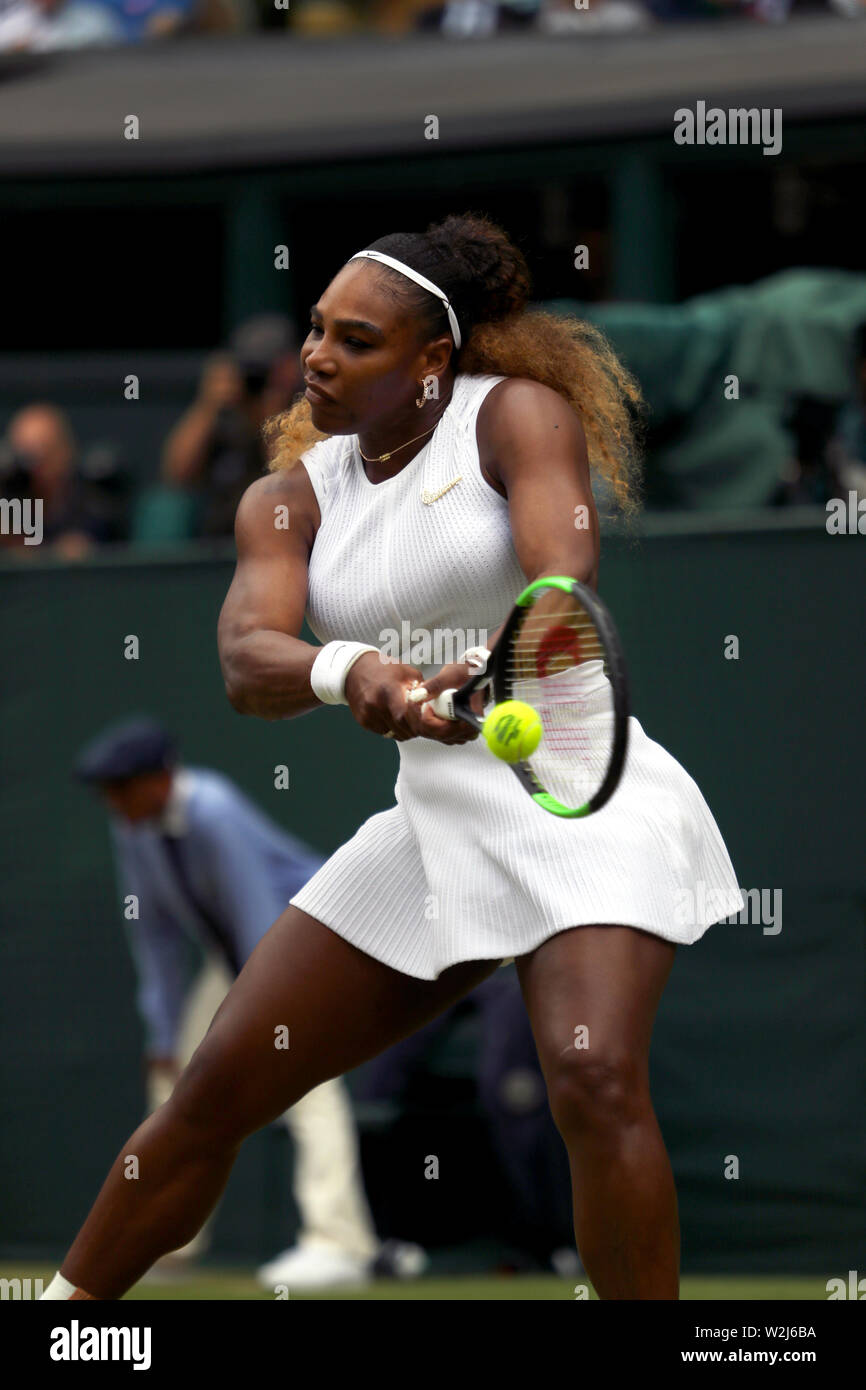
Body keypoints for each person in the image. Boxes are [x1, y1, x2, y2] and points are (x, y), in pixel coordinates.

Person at [42, 212, 742, 1302]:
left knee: (593, 1077)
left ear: (431, 359)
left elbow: (562, 569)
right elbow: (247, 654)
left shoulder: (516, 416)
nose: (316, 355)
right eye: (316, 330)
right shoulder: (287, 496)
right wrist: (353, 672)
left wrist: (500, 651)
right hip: (431, 828)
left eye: (355, 339)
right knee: (216, 1086)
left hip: (582, 802)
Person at [73, 715, 389, 1290]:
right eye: (108, 791)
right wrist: (164, 1034)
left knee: (305, 1079)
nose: (113, 801)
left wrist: (273, 1019)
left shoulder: (214, 812)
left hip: (305, 943)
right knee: (176, 1079)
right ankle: (163, 1241)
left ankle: (340, 1242)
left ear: (161, 778)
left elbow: (259, 917)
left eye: (122, 787)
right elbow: (157, 938)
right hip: (239, 959)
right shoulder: (133, 829)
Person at [161, 315, 303, 538]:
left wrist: (271, 417)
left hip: (283, 540)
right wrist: (207, 405)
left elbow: (291, 483)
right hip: (222, 540)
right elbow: (177, 475)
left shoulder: (306, 411)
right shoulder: (226, 414)